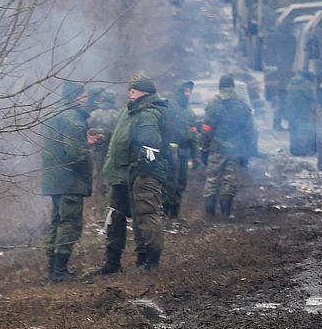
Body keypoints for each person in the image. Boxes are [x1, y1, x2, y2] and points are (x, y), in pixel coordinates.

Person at [98, 77, 172, 273]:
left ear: (143, 92)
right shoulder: (129, 111)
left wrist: (143, 169)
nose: (129, 93)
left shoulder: (148, 113)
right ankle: (112, 263)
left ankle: (148, 262)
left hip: (141, 175)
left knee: (146, 216)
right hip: (121, 174)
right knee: (115, 217)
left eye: (133, 90)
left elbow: (150, 146)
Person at [39, 81, 92, 282]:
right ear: (75, 97)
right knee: (69, 224)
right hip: (70, 181)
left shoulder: (52, 114)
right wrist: (89, 148)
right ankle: (60, 271)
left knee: (56, 223)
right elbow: (75, 155)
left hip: (53, 179)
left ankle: (52, 268)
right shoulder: (73, 120)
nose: (86, 100)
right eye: (83, 96)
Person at [202, 75, 256, 219]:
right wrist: (248, 152)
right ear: (233, 86)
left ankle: (210, 214)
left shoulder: (213, 103)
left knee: (212, 179)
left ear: (220, 86)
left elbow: (207, 128)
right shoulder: (242, 104)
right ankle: (226, 213)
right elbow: (249, 131)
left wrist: (203, 148)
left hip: (216, 148)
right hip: (235, 149)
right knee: (229, 180)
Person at [162, 81, 197, 219]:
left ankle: (174, 214)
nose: (188, 94)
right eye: (185, 91)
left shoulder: (190, 112)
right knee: (168, 182)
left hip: (183, 152)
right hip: (170, 151)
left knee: (181, 183)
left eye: (190, 91)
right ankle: (165, 211)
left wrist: (196, 156)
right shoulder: (170, 107)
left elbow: (193, 135)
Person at [284, 69, 317, 156]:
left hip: (291, 111)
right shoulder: (305, 84)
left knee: (293, 130)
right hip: (302, 111)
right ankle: (302, 151)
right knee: (303, 130)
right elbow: (311, 96)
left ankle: (294, 150)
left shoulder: (291, 82)